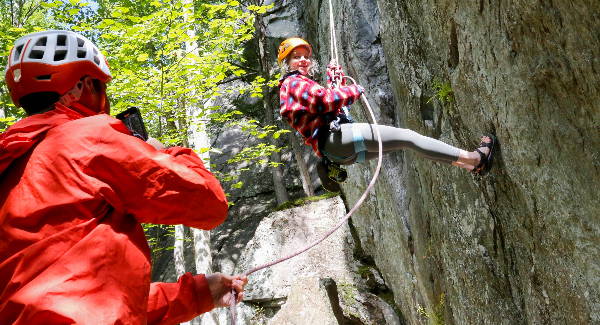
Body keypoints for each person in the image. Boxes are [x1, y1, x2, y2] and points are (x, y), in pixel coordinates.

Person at [0, 30, 246, 325]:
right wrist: (162, 152)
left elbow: (90, 300)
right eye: (103, 88)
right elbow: (210, 203)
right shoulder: (90, 137)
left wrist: (198, 293)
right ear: (84, 86)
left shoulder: (9, 166)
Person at [277, 38, 497, 189]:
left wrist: (335, 82)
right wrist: (354, 89)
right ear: (287, 63)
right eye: (296, 57)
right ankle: (475, 157)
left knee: (406, 143)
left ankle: (468, 164)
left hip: (338, 152)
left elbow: (328, 105)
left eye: (305, 56)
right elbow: (325, 100)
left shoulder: (294, 87)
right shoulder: (293, 82)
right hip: (338, 136)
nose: (303, 60)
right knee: (409, 137)